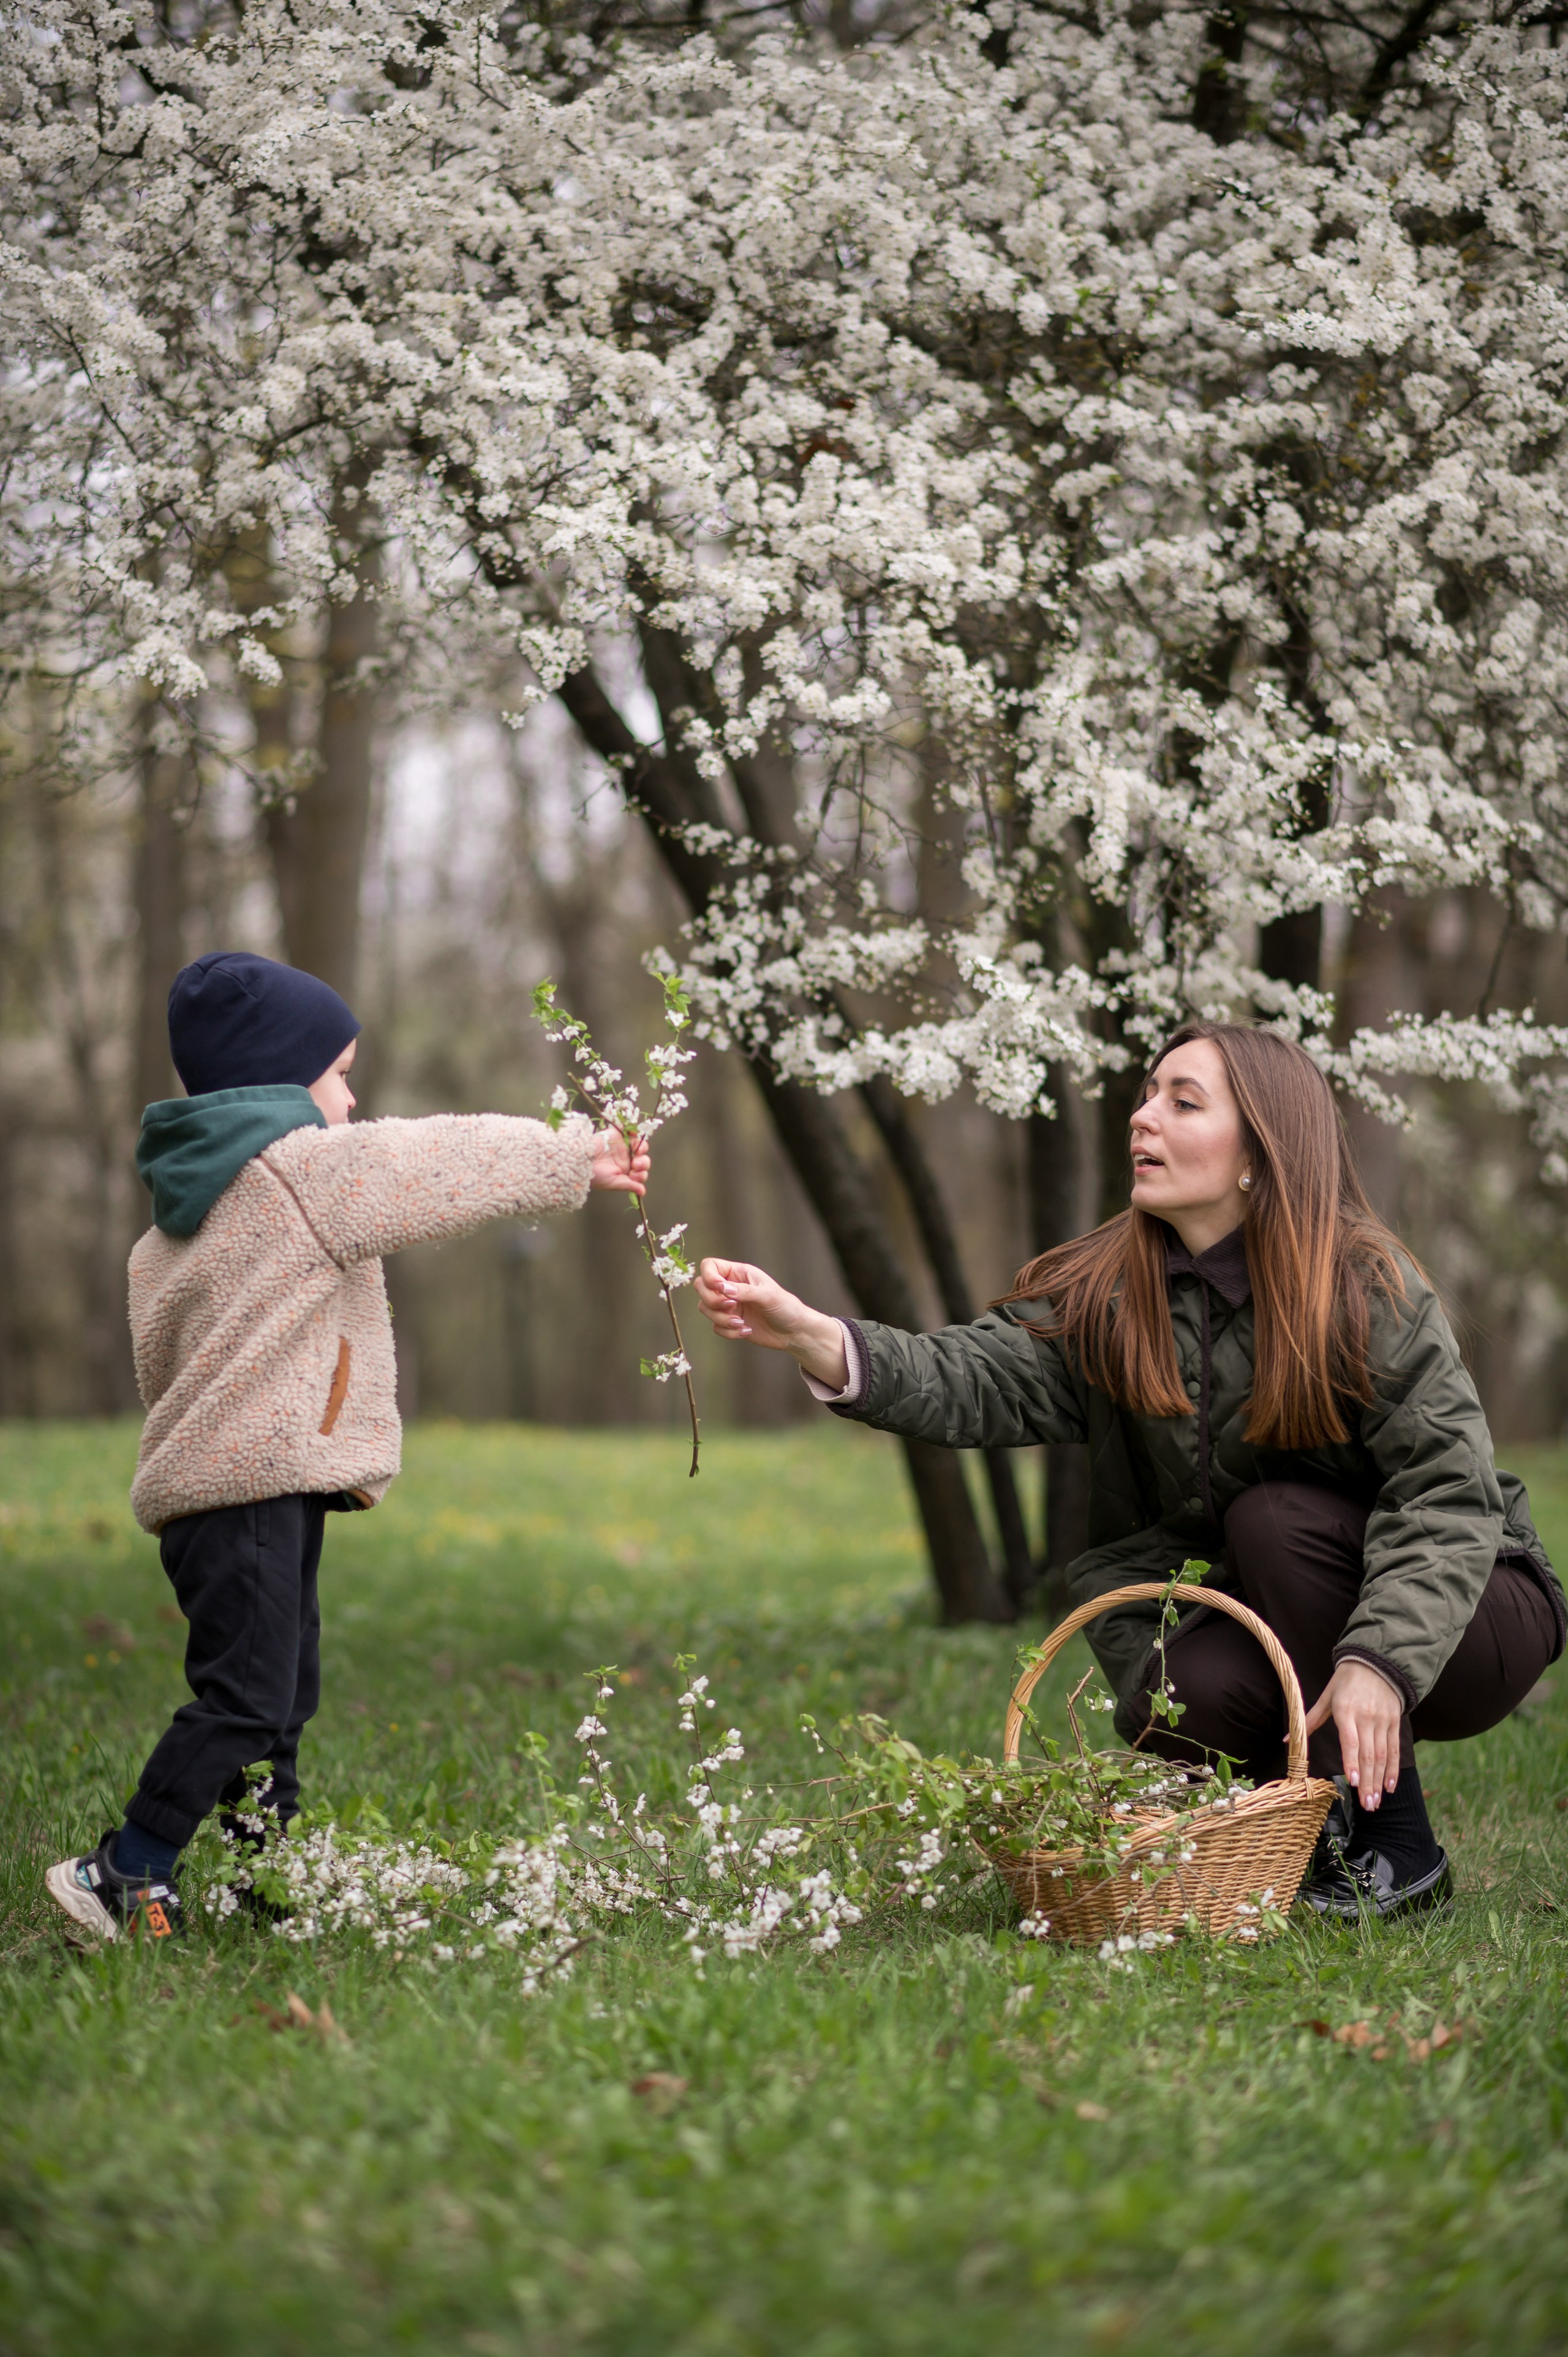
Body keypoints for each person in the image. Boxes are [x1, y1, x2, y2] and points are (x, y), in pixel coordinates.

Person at [694, 1022, 1565, 1920]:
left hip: (1473, 1612)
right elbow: (968, 1376)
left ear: (1259, 1154)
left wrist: (1381, 1658)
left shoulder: (1366, 1287)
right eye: (1147, 1095)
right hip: (1277, 1611)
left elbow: (1447, 1492)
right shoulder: (1111, 1292)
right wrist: (813, 1335)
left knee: (1273, 1519)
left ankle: (1400, 1846)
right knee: (1176, 1696)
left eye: (1183, 1102)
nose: (1144, 1119)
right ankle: (1305, 1837)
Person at [47, 950, 647, 1943]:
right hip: (253, 1485)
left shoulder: (169, 1228)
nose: (354, 1097)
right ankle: (127, 1864)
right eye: (339, 1073)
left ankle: (260, 1874)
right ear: (281, 1082)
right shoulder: (300, 1169)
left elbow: (164, 1366)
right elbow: (432, 1164)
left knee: (278, 1695)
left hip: (220, 1495)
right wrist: (570, 1156)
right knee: (245, 1699)